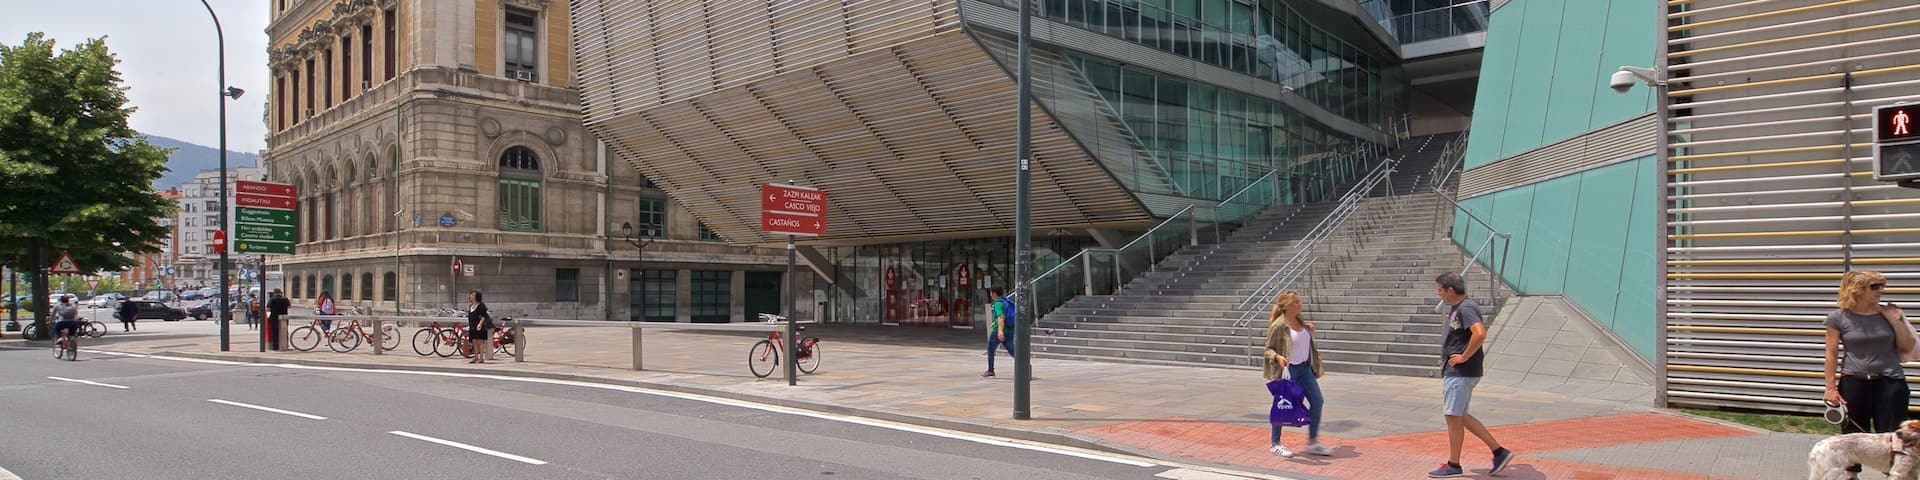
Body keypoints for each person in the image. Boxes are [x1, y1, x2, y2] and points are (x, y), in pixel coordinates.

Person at [1824, 270, 1912, 477]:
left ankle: (1894, 474)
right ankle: (1851, 475)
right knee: (1853, 435)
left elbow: (1908, 346)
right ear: (1857, 289)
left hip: (1890, 381)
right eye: (1874, 286)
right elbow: (1831, 352)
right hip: (1854, 381)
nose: (1880, 290)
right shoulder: (1838, 318)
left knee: (1894, 436)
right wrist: (1830, 388)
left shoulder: (1890, 313)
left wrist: (1897, 321)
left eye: (1882, 286)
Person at [1429, 272, 1514, 478]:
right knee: (1461, 415)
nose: (1438, 294)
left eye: (1440, 290)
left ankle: (1453, 464)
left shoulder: (1466, 307)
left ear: (1450, 290)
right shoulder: (1459, 308)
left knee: (1453, 416)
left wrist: (1464, 357)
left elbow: (1480, 333)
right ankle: (1499, 452)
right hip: (1458, 372)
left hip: (1461, 372)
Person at [1262, 290, 1329, 458]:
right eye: (1296, 302)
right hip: (1289, 370)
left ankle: (1312, 442)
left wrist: (1307, 329)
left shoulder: (1300, 320)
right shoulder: (1279, 325)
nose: (1300, 304)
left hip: (1305, 369)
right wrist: (1277, 357)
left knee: (1317, 401)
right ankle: (1275, 443)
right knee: (1282, 405)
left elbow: (1300, 340)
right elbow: (1268, 350)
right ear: (1287, 306)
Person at [981, 288, 1016, 378]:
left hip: (998, 330)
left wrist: (1000, 331)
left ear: (994, 293)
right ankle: (1023, 364)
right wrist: (995, 322)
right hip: (1009, 329)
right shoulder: (1005, 301)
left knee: (990, 349)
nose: (990, 295)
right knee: (1011, 349)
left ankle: (990, 370)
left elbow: (1001, 317)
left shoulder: (997, 303)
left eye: (991, 293)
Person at [466, 291, 493, 364]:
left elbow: (484, 316)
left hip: (479, 326)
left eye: (473, 295)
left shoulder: (481, 305)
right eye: (471, 294)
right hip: (472, 326)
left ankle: (481, 358)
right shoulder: (471, 306)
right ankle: (475, 357)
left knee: (480, 342)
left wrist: (480, 324)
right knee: (474, 341)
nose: (471, 296)